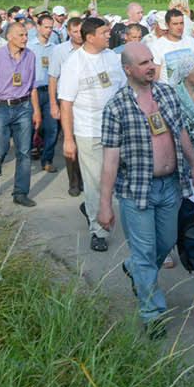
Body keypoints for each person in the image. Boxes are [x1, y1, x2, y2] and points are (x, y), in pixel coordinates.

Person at [98, 42, 194, 339]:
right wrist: (105, 205)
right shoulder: (116, 107)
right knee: (145, 253)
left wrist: (193, 162)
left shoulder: (167, 93)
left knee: (165, 244)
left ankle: (133, 267)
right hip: (136, 190)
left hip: (171, 186)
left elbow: (180, 131)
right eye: (143, 63)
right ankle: (152, 311)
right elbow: (110, 160)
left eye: (152, 60)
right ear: (127, 69)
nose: (151, 66)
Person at [58, 16, 125, 251]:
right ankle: (98, 232)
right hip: (89, 130)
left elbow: (123, 90)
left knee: (115, 179)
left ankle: (92, 208)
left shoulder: (112, 58)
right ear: (90, 37)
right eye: (104, 33)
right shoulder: (74, 64)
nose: (109, 35)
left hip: (117, 130)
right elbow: (65, 103)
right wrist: (68, 139)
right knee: (95, 181)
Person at [0, 19, 41, 205]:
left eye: (26, 35)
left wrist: (36, 111)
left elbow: (33, 86)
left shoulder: (30, 56)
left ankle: (20, 193)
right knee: (0, 150)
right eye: (21, 35)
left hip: (23, 107)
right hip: (0, 107)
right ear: (9, 37)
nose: (25, 38)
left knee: (24, 152)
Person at [47, 15, 85, 195]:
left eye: (81, 31)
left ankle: (86, 179)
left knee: (85, 142)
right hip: (66, 102)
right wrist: (53, 104)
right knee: (70, 141)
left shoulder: (90, 48)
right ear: (68, 32)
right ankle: (74, 182)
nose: (79, 35)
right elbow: (53, 77)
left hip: (85, 101)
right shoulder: (60, 51)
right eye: (75, 31)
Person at [27, 11, 60, 171]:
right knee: (30, 125)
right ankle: (26, 156)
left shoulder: (55, 48)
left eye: (51, 28)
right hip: (32, 91)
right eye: (46, 27)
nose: (49, 30)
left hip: (50, 92)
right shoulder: (28, 47)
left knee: (52, 127)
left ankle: (47, 159)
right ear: (38, 27)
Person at [150, 7, 194, 83]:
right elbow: (155, 77)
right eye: (175, 24)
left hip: (189, 90)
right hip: (167, 92)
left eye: (181, 23)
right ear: (167, 25)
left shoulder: (190, 41)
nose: (179, 27)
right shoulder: (156, 46)